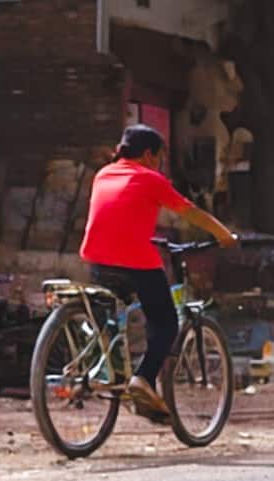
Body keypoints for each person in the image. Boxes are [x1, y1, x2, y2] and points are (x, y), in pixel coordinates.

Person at [79, 124, 238, 420]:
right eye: (160, 156)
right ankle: (143, 378)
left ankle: (110, 369)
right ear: (150, 154)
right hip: (134, 261)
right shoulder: (150, 179)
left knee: (110, 320)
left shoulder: (104, 174)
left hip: (96, 259)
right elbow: (189, 211)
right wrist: (224, 234)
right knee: (165, 324)